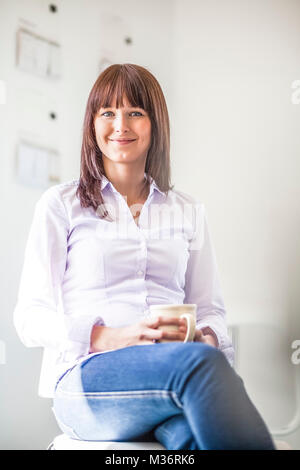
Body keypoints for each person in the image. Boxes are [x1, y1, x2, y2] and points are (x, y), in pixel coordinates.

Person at [13, 63, 275, 450]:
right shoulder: (61, 205)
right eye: (108, 113)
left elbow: (211, 310)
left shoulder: (188, 210)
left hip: (172, 373)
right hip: (87, 383)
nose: (121, 125)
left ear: (156, 125)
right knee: (200, 367)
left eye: (135, 112)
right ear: (92, 124)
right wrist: (110, 336)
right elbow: (29, 317)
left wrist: (207, 338)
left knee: (193, 434)